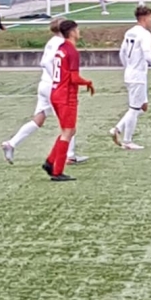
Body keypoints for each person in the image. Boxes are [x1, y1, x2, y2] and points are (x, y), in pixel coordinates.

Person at [1, 19, 85, 165]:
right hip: (53, 87)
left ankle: (11, 143)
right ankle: (69, 156)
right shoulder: (61, 43)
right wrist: (58, 80)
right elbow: (46, 63)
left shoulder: (53, 41)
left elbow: (44, 62)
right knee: (68, 124)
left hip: (44, 85)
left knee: (38, 120)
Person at [43, 20, 95, 182]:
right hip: (66, 96)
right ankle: (57, 171)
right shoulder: (72, 51)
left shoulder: (61, 48)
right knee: (67, 131)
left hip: (56, 92)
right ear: (72, 32)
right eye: (77, 30)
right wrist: (88, 82)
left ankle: (50, 162)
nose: (79, 32)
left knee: (69, 130)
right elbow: (74, 78)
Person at [109, 5, 151, 151]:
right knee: (134, 109)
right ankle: (126, 139)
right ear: (145, 18)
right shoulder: (145, 34)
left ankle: (118, 129)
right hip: (138, 76)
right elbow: (147, 55)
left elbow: (122, 52)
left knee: (143, 106)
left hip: (130, 74)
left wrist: (127, 66)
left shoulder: (130, 32)